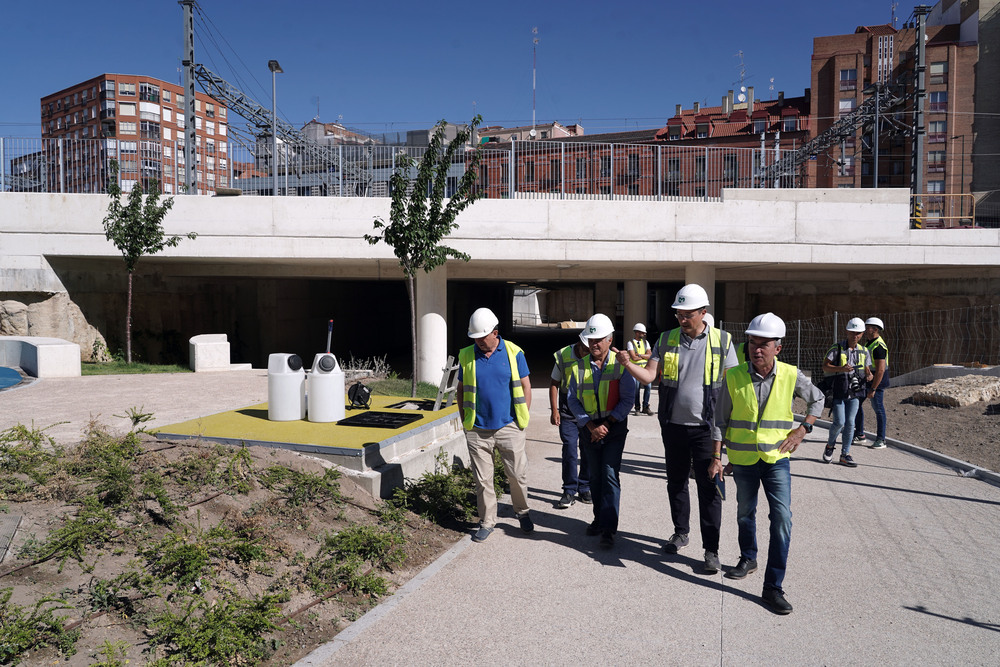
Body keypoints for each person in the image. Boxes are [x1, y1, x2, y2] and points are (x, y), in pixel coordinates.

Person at [616, 284, 737, 573]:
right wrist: (627, 364)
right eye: (678, 314)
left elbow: (733, 386)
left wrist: (728, 432)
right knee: (676, 483)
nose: (682, 319)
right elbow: (648, 376)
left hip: (707, 429)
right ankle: (680, 532)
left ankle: (711, 551)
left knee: (709, 489)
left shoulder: (722, 340)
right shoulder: (667, 339)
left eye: (688, 314)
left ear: (703, 312)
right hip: (673, 426)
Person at [713, 312, 824, 615]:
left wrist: (803, 430)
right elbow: (720, 420)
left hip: (776, 460)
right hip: (744, 460)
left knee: (782, 519)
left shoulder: (790, 374)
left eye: (764, 344)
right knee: (745, 514)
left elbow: (818, 400)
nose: (756, 349)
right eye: (752, 343)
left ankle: (772, 587)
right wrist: (716, 457)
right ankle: (748, 558)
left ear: (778, 347)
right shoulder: (733, 376)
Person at [457, 307, 534, 543]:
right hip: (478, 429)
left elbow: (526, 386)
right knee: (483, 480)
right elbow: (461, 391)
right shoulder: (467, 356)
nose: (479, 341)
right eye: (475, 338)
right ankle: (488, 521)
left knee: (517, 475)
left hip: (508, 426)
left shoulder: (513, 352)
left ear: (495, 333)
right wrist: (465, 421)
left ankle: (522, 512)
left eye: (482, 337)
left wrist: (521, 419)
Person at [568, 313, 636, 548]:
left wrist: (606, 424)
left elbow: (628, 399)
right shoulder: (578, 367)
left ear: (610, 339)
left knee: (609, 474)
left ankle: (608, 528)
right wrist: (590, 426)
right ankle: (599, 518)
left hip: (614, 429)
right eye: (591, 340)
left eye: (599, 340)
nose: (594, 344)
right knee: (595, 476)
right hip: (589, 430)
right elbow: (573, 400)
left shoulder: (622, 365)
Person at [821, 317, 873, 468]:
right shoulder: (837, 348)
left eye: (858, 333)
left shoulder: (864, 351)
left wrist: (870, 376)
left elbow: (868, 371)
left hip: (855, 393)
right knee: (839, 422)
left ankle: (845, 454)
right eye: (852, 332)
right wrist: (841, 369)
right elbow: (825, 366)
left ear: (862, 334)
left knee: (850, 423)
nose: (854, 336)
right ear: (847, 332)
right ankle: (830, 446)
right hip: (839, 391)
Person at [549, 338, 592, 508]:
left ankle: (585, 487)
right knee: (569, 448)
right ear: (579, 345)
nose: (590, 354)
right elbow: (554, 384)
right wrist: (554, 410)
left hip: (589, 409)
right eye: (586, 350)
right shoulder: (563, 355)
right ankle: (569, 490)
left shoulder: (596, 354)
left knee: (588, 449)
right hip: (567, 410)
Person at [854, 316, 890, 449]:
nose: (864, 329)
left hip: (877, 383)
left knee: (878, 409)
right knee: (856, 403)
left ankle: (881, 439)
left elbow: (880, 370)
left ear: (875, 329)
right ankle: (860, 434)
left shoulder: (879, 346)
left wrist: (873, 388)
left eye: (867, 327)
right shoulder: (870, 343)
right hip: (868, 380)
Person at [627, 323, 654, 415]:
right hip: (635, 370)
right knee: (636, 389)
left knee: (648, 387)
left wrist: (639, 355)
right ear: (637, 332)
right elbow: (633, 358)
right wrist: (644, 356)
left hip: (645, 370)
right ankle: (637, 408)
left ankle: (645, 406)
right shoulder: (630, 343)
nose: (644, 334)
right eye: (642, 332)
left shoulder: (646, 343)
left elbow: (650, 355)